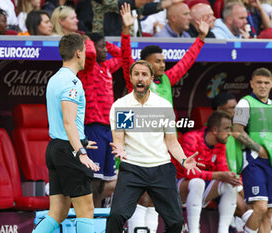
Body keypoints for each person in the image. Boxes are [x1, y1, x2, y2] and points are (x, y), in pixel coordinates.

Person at [120, 4, 208, 232]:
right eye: (158, 61)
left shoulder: (167, 80)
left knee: (156, 198)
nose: (163, 64)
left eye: (163, 61)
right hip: (138, 148)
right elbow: (124, 58)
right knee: (141, 196)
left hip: (163, 149)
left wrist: (200, 38)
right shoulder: (135, 81)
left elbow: (186, 62)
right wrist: (126, 31)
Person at [107, 60, 200, 233]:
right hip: (132, 168)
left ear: (151, 79)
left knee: (175, 222)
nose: (140, 78)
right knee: (116, 216)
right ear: (131, 78)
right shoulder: (121, 106)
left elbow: (172, 141)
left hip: (161, 168)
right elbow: (118, 139)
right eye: (136, 74)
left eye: (144, 75)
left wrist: (183, 160)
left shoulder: (163, 106)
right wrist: (119, 149)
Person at [32, 33, 100, 233]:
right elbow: (68, 122)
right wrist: (81, 151)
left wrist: (82, 141)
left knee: (58, 212)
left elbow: (66, 124)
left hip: (56, 148)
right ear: (79, 53)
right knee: (86, 209)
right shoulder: (71, 82)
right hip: (69, 150)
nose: (87, 55)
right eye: (85, 51)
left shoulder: (55, 78)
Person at [232, 67, 272, 233]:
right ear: (252, 84)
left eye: (266, 83)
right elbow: (237, 131)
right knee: (260, 207)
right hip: (253, 160)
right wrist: (258, 148)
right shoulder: (245, 103)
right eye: (259, 82)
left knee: (269, 212)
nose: (263, 86)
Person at [77, 32, 126, 208]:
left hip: (108, 130)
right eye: (102, 46)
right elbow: (89, 54)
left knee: (103, 182)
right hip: (93, 128)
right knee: (93, 179)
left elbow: (123, 56)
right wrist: (89, 40)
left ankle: (95, 218)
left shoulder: (106, 67)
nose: (106, 49)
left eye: (106, 46)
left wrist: (107, 43)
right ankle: (87, 218)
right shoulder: (87, 68)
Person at [174, 111, 241, 233]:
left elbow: (223, 168)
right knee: (197, 182)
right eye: (226, 128)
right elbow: (190, 173)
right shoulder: (191, 138)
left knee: (229, 184)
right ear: (215, 130)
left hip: (202, 188)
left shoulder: (220, 144)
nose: (230, 133)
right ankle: (194, 231)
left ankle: (223, 230)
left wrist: (231, 177)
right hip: (176, 187)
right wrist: (220, 175)